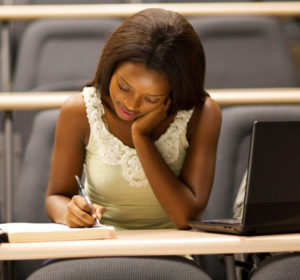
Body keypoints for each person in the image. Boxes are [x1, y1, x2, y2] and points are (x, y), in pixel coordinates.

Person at [45, 8, 221, 231]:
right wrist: (70, 211)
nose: (131, 104)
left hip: (170, 250)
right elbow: (55, 197)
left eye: (150, 98)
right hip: (97, 244)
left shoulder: (202, 114)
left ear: (175, 93)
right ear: (111, 66)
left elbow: (186, 217)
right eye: (123, 87)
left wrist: (142, 138)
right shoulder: (80, 110)